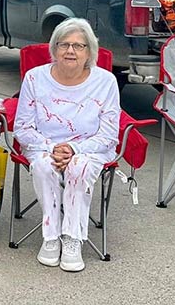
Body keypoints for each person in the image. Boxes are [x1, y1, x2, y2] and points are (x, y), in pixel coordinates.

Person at [12, 17, 119, 272]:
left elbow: (109, 133)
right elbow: (22, 128)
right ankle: (51, 236)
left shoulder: (105, 82)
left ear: (89, 52)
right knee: (44, 166)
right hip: (43, 146)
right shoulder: (35, 78)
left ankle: (72, 238)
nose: (71, 51)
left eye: (79, 46)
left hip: (90, 148)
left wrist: (74, 150)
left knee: (78, 167)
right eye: (64, 44)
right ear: (54, 49)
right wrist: (52, 148)